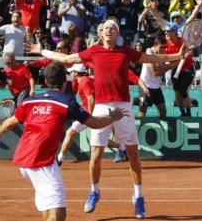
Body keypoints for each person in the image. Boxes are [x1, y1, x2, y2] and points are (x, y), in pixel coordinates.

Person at [26, 19, 184, 219]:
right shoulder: (93, 51)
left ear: (117, 34)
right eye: (106, 28)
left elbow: (150, 58)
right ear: (101, 33)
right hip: (101, 107)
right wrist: (43, 51)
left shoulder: (126, 50)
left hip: (124, 106)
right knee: (96, 155)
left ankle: (138, 196)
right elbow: (67, 60)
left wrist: (177, 55)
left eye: (113, 28)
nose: (109, 30)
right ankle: (94, 191)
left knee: (133, 154)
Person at [0, 62, 129, 221]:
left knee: (48, 206)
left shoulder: (29, 101)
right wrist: (114, 117)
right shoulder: (67, 102)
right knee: (58, 214)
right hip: (41, 162)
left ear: (46, 82)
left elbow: (12, 121)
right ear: (65, 82)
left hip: (24, 161)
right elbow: (94, 123)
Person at [56, 63, 127, 166]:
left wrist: (90, 116)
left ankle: (122, 147)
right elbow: (88, 98)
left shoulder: (84, 81)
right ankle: (59, 158)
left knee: (81, 135)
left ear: (76, 73)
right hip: (97, 110)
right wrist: (82, 106)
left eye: (71, 71)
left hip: (94, 113)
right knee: (73, 133)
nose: (70, 73)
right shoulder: (87, 79)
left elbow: (91, 98)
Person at [140, 36, 178, 118]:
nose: (163, 49)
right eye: (161, 47)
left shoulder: (159, 55)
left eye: (164, 47)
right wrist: (170, 66)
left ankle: (162, 130)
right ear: (155, 45)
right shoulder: (149, 53)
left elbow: (160, 67)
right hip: (146, 87)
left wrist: (170, 65)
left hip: (156, 87)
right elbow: (155, 73)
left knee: (163, 112)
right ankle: (137, 130)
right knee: (142, 113)